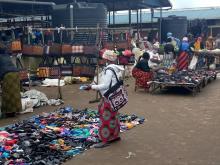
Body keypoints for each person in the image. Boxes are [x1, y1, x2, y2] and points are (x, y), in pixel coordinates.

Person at [82, 51, 124, 148]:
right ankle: (114, 136)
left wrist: (92, 87)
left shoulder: (109, 70)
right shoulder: (116, 68)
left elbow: (105, 85)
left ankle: (104, 140)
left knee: (105, 118)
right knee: (114, 116)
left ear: (106, 59)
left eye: (103, 58)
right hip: (115, 97)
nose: (102, 60)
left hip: (108, 97)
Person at [0, 44, 22, 118]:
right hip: (15, 74)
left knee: (7, 95)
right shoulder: (6, 56)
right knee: (14, 94)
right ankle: (13, 112)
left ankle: (9, 113)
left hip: (8, 75)